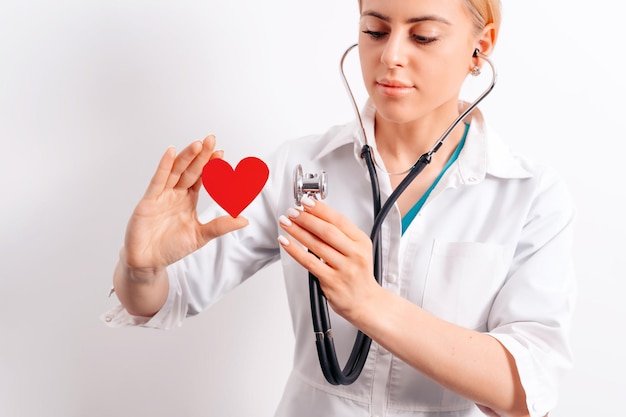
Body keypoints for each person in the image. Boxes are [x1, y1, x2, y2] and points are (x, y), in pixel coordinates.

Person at [102, 1, 576, 416]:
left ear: (481, 46)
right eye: (374, 29)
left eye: (423, 35)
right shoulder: (299, 167)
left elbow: (529, 387)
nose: (390, 55)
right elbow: (164, 299)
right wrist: (141, 268)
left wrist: (368, 302)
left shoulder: (529, 194)